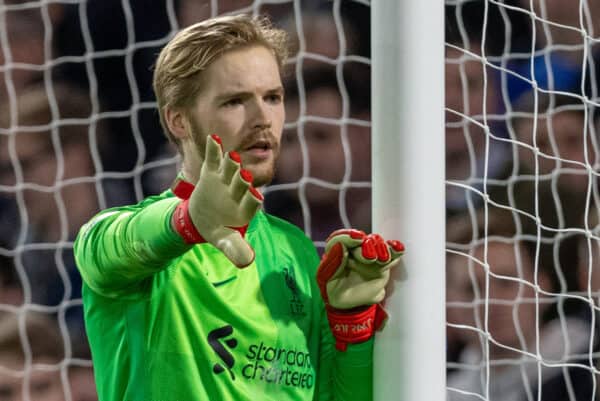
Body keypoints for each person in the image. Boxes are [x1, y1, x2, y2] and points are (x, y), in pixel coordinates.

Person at [74, 14, 403, 401]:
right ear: (178, 120)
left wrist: (351, 324)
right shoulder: (148, 244)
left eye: (273, 98)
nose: (263, 118)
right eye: (235, 101)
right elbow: (98, 246)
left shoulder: (295, 250)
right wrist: (189, 220)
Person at [446, 208, 593, 401]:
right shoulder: (444, 393)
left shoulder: (589, 368)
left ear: (542, 288)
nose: (491, 301)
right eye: (472, 289)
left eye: (507, 282)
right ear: (451, 306)